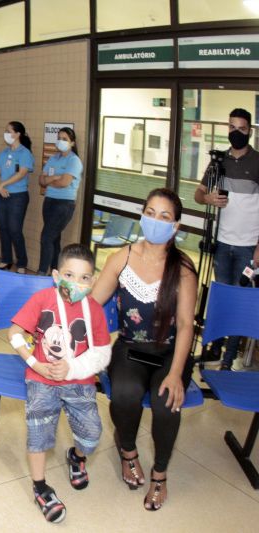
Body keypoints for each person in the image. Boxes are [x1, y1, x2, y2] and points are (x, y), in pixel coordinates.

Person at [92, 188, 197, 512]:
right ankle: (128, 452)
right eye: (150, 213)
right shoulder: (121, 258)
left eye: (164, 216)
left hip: (168, 353)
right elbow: (93, 303)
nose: (155, 221)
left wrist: (177, 373)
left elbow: (185, 325)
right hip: (132, 349)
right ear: (142, 215)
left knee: (167, 402)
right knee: (124, 392)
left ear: (176, 226)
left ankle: (160, 473)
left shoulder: (182, 267)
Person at [9, 244, 112, 523]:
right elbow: (15, 334)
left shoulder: (94, 310)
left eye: (84, 278)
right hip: (41, 378)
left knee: (92, 434)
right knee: (39, 433)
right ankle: (40, 487)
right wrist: (36, 364)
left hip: (79, 378)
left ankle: (76, 457)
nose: (76, 283)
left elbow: (103, 352)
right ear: (56, 276)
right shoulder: (42, 299)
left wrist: (72, 368)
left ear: (93, 280)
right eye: (69, 274)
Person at [194, 107, 259, 370]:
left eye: (242, 129)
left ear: (250, 131)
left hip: (247, 247)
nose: (236, 133)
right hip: (222, 244)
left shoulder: (257, 161)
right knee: (220, 298)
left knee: (238, 302)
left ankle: (228, 360)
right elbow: (198, 194)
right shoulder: (218, 161)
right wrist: (208, 198)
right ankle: (214, 349)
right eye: (232, 127)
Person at [37, 127, 84, 276]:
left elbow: (65, 182)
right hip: (49, 201)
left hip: (64, 204)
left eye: (65, 139)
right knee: (54, 239)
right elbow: (41, 180)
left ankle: (41, 273)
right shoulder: (53, 158)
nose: (61, 141)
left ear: (72, 143)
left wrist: (50, 180)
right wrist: (55, 178)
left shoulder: (74, 160)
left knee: (46, 237)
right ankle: (56, 272)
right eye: (59, 138)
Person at [0, 121, 34, 274]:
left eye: (8, 131)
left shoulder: (25, 153)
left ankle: (22, 262)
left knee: (14, 229)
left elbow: (22, 173)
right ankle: (6, 259)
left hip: (17, 196)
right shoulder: (3, 153)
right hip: (1, 195)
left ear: (17, 134)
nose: (6, 134)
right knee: (3, 228)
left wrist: (2, 185)